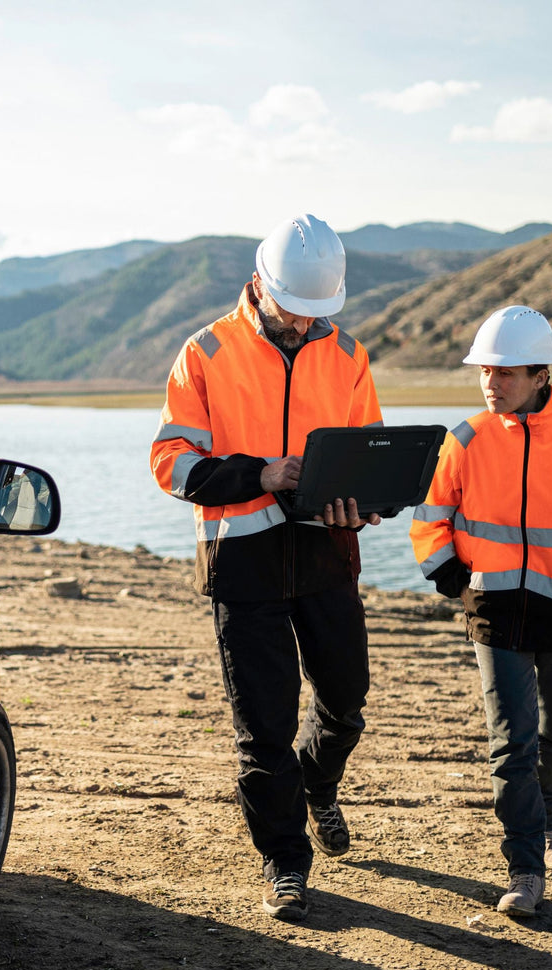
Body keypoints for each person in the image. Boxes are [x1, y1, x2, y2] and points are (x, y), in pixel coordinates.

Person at [150, 213, 384, 921]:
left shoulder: (348, 353)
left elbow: (369, 449)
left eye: (316, 311)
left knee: (346, 701)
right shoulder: (205, 351)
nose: (303, 323)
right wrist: (260, 474)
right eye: (293, 309)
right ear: (259, 283)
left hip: (326, 554)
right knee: (264, 727)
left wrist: (364, 502)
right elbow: (171, 463)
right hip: (242, 562)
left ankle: (318, 782)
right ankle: (285, 861)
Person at [410, 306, 552, 916]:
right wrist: (455, 580)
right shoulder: (466, 439)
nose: (491, 382)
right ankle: (525, 868)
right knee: (512, 745)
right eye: (485, 370)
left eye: (505, 372)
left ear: (540, 375)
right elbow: (430, 518)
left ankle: (549, 823)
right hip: (495, 614)